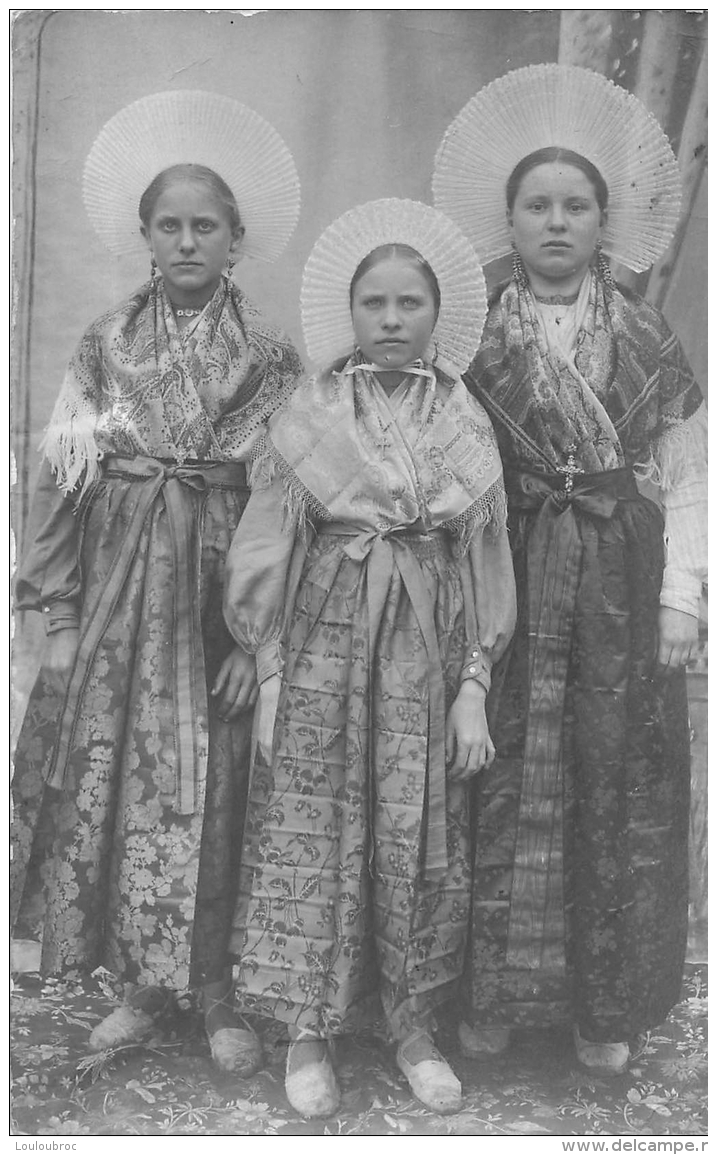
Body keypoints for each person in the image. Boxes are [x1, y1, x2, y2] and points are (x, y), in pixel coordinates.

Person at [433, 63, 708, 1074]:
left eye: (576, 206)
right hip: (505, 568)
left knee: (614, 778)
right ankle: (496, 1000)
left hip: (615, 575)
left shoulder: (644, 333)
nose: (556, 222)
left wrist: (682, 592)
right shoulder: (470, 337)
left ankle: (602, 1009)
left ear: (607, 223)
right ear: (508, 223)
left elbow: (681, 469)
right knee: (502, 777)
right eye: (537, 206)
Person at [11, 90, 304, 1077]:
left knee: (219, 781)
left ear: (236, 239)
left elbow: (291, 499)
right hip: (125, 585)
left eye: (205, 226)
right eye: (169, 226)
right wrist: (52, 607)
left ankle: (216, 987)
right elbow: (60, 477)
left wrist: (259, 641)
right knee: (134, 779)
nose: (187, 242)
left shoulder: (270, 359)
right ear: (144, 237)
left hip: (222, 587)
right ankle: (143, 984)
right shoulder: (105, 343)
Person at [223, 198, 516, 1117]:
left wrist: (472, 687)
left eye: (409, 305)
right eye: (374, 305)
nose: (391, 322)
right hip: (320, 632)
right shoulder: (310, 408)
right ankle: (306, 1029)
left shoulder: (465, 418)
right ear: (349, 315)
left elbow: (486, 558)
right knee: (308, 813)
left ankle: (411, 1021)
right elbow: (264, 542)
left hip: (423, 643)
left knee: (415, 819)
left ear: (438, 315)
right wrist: (268, 668)